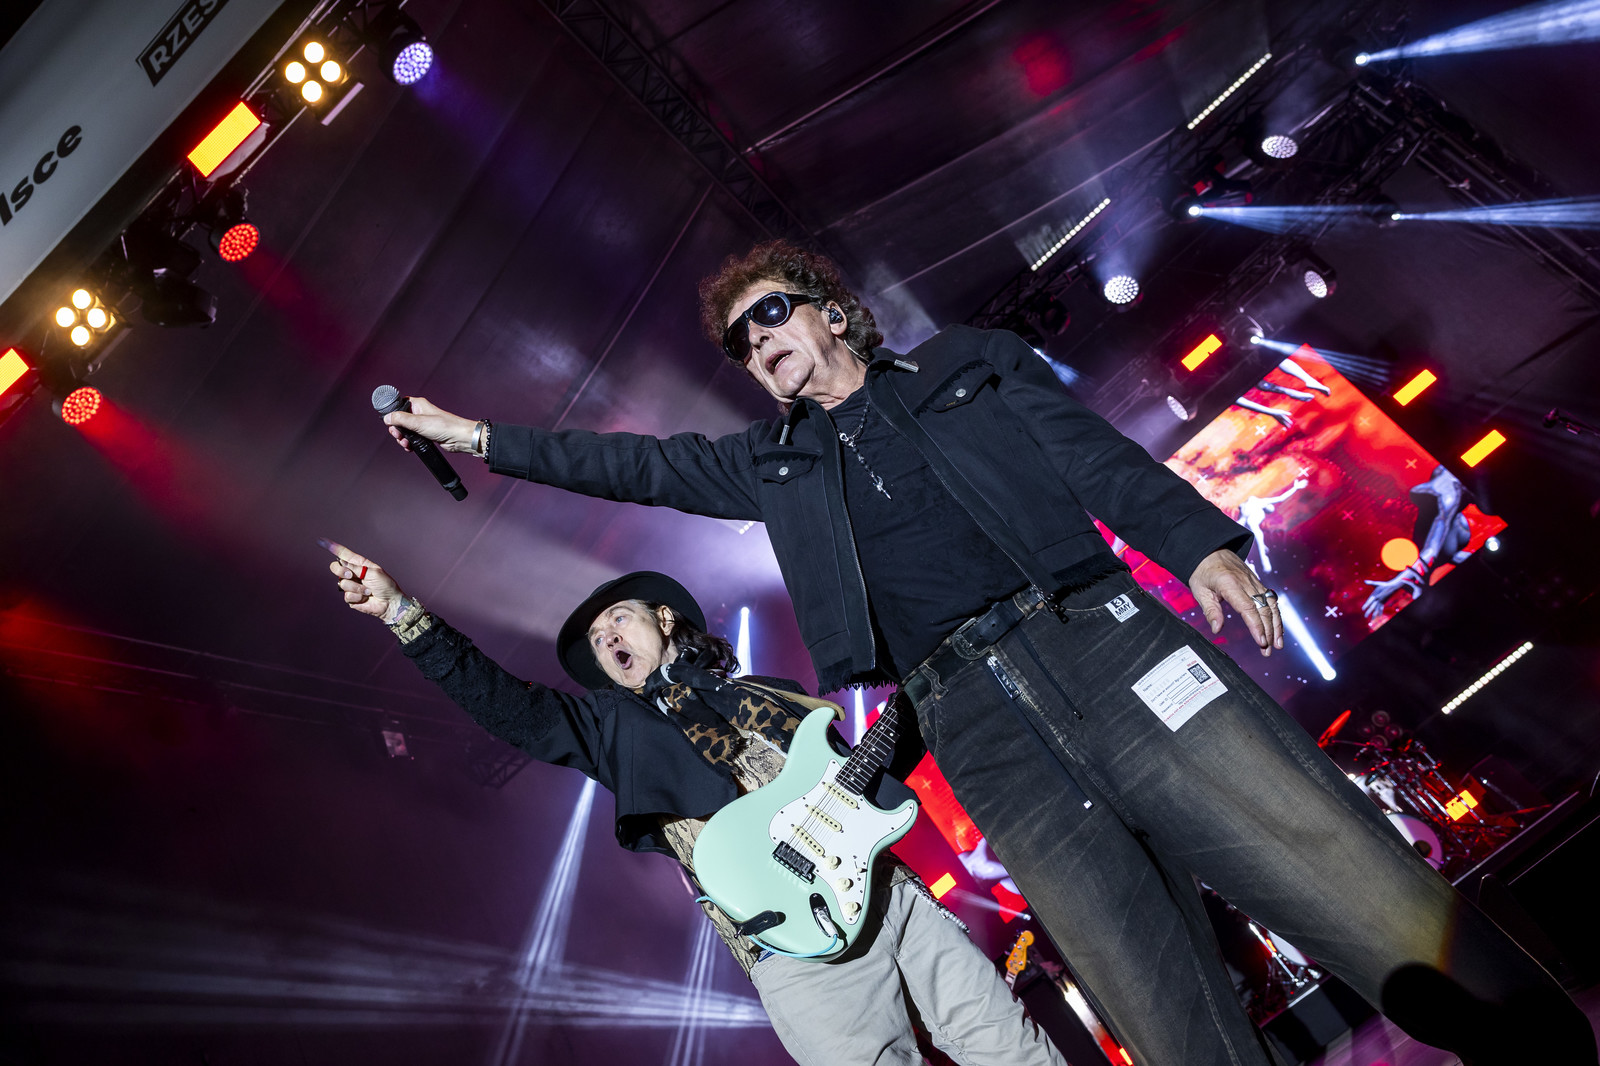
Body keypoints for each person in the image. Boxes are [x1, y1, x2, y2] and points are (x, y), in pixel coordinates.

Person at [382, 240, 1596, 1066]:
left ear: (830, 310)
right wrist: (473, 434)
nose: (758, 345)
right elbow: (627, 463)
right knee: (1140, 979)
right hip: (975, 723)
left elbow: (1090, 456)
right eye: (741, 344)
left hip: (1102, 644)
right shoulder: (771, 465)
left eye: (770, 315)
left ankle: (1527, 1040)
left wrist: (1199, 541)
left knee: (1320, 850)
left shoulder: (966, 363)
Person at [321, 543, 1067, 1066]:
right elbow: (511, 707)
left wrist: (934, 686)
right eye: (596, 639)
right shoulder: (614, 725)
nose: (605, 637)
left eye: (617, 619)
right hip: (792, 939)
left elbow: (863, 779)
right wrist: (403, 614)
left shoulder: (771, 694)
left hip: (893, 896)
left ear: (665, 619)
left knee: (1015, 1050)